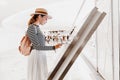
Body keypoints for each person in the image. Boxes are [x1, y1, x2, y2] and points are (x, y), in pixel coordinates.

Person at [27, 8, 62, 80]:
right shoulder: (32, 27)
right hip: (36, 55)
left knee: (41, 76)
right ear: (40, 16)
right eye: (46, 19)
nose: (46, 21)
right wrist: (54, 47)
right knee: (38, 77)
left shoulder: (37, 27)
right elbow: (37, 47)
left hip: (39, 55)